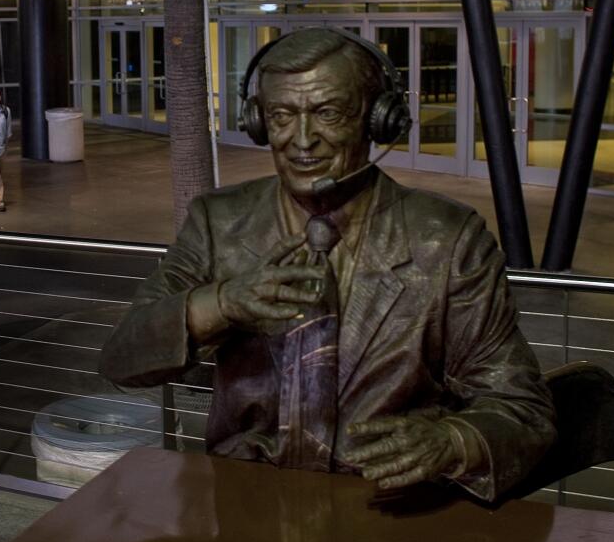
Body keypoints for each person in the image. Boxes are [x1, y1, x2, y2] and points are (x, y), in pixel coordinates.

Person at [99, 27, 555, 503]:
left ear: (377, 119)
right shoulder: (219, 223)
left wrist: (454, 442)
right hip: (247, 506)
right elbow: (121, 361)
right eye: (280, 116)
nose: (302, 140)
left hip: (389, 509)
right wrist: (220, 305)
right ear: (258, 121)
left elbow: (522, 411)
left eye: (328, 113)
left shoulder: (446, 238)